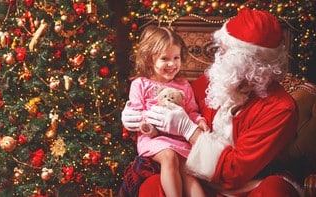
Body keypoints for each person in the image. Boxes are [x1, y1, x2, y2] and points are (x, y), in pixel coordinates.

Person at [122, 8, 303, 196]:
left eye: (225, 52)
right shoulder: (218, 80)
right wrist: (133, 119)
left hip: (249, 184)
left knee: (275, 190)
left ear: (250, 64)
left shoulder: (280, 109)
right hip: (200, 179)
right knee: (153, 186)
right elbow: (170, 102)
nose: (218, 57)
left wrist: (188, 129)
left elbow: (234, 171)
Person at [121, 25, 209, 197]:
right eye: (164, 59)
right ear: (149, 60)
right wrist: (147, 121)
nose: (172, 64)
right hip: (154, 139)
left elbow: (191, 111)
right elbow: (137, 114)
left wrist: (199, 120)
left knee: (188, 171)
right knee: (169, 156)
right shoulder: (141, 84)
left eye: (176, 57)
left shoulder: (183, 85)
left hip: (180, 139)